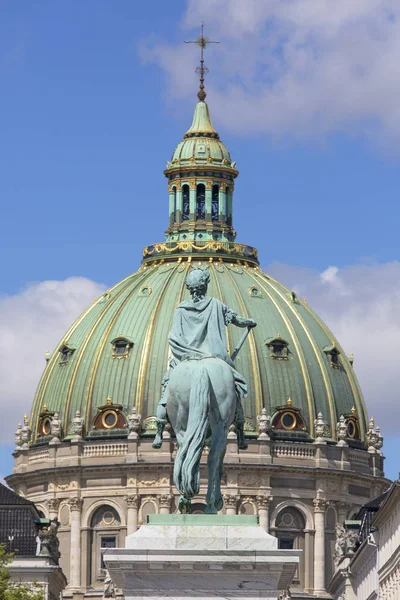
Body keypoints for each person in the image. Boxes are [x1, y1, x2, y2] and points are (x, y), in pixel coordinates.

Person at [152, 267, 256, 450]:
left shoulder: (181, 309)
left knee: (167, 390)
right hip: (212, 355)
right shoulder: (216, 304)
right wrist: (249, 323)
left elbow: (175, 336)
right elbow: (237, 320)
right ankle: (240, 430)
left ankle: (159, 430)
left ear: (189, 288)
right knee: (235, 390)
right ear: (206, 285)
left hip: (187, 357)